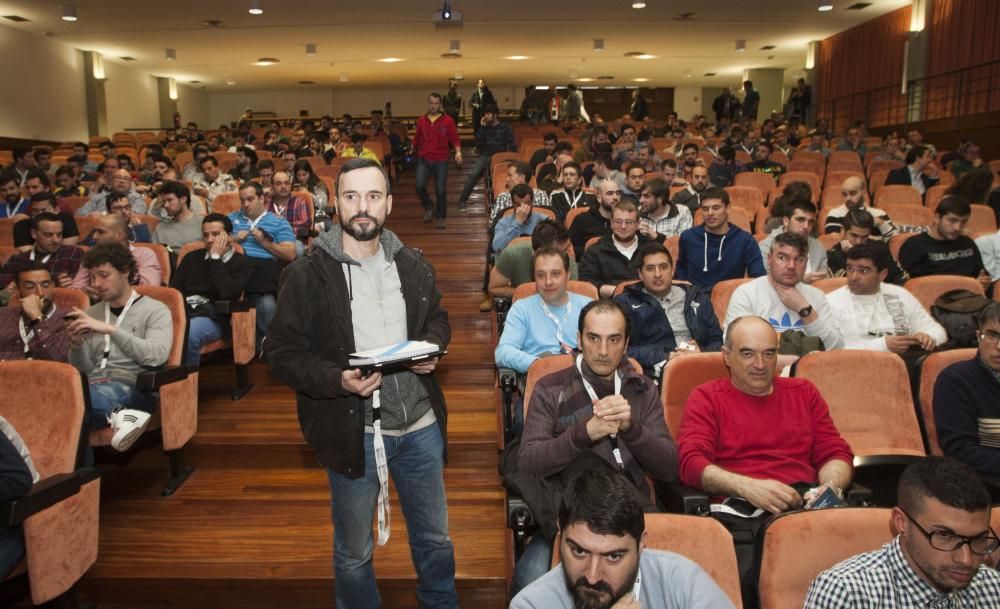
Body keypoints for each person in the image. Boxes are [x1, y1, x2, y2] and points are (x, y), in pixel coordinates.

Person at [266, 158, 457, 609]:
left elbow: (438, 321)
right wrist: (337, 380)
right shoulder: (306, 274)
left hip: (421, 427)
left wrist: (430, 348)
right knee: (353, 552)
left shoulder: (413, 265)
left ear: (389, 204)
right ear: (336, 204)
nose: (362, 207)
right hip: (355, 430)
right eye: (351, 196)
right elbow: (280, 355)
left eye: (373, 196)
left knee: (436, 539)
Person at [679, 315, 853, 603]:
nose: (760, 365)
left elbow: (835, 452)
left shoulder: (804, 392)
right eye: (747, 354)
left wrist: (830, 487)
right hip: (742, 516)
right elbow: (690, 463)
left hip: (806, 506)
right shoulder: (707, 397)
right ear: (727, 356)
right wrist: (750, 488)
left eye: (768, 353)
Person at [515, 299, 679, 594]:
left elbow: (668, 468)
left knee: (672, 579)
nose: (603, 351)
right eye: (593, 338)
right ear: (578, 340)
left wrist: (632, 429)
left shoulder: (642, 389)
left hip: (633, 513)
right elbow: (528, 462)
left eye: (613, 340)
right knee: (530, 579)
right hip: (572, 517)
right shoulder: (550, 388)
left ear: (626, 344)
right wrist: (583, 434)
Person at [510, 464, 736, 609]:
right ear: (560, 533)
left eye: (613, 556)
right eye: (579, 551)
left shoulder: (683, 582)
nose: (592, 576)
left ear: (641, 545)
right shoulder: (531, 604)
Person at [804, 457, 1000, 608]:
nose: (966, 559)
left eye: (979, 539)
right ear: (901, 522)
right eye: (945, 536)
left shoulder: (991, 587)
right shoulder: (847, 592)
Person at [66, 243, 173, 452]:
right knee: (68, 402)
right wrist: (77, 345)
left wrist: (111, 330)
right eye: (92, 277)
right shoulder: (93, 313)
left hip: (133, 388)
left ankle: (124, 414)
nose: (96, 283)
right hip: (93, 384)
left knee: (76, 399)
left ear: (124, 271)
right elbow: (84, 369)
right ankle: (83, 479)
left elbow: (156, 357)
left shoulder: (155, 310)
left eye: (104, 275)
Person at [615, 243, 723, 377]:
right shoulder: (625, 302)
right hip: (653, 372)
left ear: (672, 270)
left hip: (698, 366)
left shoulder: (697, 297)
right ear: (640, 274)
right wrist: (667, 356)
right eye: (650, 268)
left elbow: (718, 342)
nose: (657, 274)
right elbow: (619, 348)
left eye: (663, 267)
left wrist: (701, 352)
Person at [726, 232, 844, 350]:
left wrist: (805, 309)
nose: (791, 266)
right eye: (783, 258)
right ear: (769, 259)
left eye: (798, 259)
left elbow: (836, 348)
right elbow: (735, 345)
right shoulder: (746, 294)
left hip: (807, 368)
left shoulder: (817, 296)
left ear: (806, 262)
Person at [826, 241, 946, 352]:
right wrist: (883, 345)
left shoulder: (900, 294)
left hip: (907, 362)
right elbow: (829, 349)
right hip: (858, 367)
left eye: (863, 271)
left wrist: (928, 338)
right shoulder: (830, 302)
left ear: (882, 275)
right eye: (850, 269)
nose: (853, 277)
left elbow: (938, 332)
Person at [170, 214, 253, 367]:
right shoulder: (191, 258)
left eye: (215, 234)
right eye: (206, 235)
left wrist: (215, 258)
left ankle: (184, 386)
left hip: (215, 317)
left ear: (228, 236)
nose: (209, 240)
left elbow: (229, 294)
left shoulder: (242, 262)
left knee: (189, 333)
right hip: (185, 311)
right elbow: (174, 292)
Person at [495, 245, 592, 373]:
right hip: (540, 379)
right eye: (541, 275)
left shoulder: (589, 307)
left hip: (582, 376)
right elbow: (503, 352)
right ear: (534, 277)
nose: (548, 281)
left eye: (555, 274)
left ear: (568, 275)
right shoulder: (521, 308)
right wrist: (541, 364)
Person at [933, 302, 1000, 478]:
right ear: (979, 337)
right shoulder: (955, 380)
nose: (999, 346)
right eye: (992, 335)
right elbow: (960, 451)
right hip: (985, 483)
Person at [228, 181, 296, 350]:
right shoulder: (231, 219)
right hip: (232, 269)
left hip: (261, 270)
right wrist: (234, 239)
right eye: (242, 200)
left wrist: (264, 242)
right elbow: (211, 240)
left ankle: (270, 348)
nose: (245, 204)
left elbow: (290, 254)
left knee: (266, 304)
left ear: (261, 198)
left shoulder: (278, 222)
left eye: (250, 199)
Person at [675, 187, 765, 289]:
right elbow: (681, 268)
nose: (710, 213)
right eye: (705, 209)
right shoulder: (688, 237)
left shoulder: (745, 240)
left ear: (728, 208)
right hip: (695, 299)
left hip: (729, 299)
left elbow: (758, 277)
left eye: (716, 208)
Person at [899, 195, 991, 288]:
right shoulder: (914, 245)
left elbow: (982, 277)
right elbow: (905, 285)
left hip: (970, 298)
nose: (957, 228)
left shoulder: (967, 243)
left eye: (963, 222)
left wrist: (983, 283)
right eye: (952, 220)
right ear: (937, 218)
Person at [579, 200, 655, 299]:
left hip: (647, 302)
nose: (623, 227)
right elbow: (586, 284)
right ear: (611, 222)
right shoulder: (595, 251)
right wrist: (619, 291)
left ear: (637, 224)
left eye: (628, 222)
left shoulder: (651, 249)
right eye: (618, 222)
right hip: (609, 305)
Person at [489, 220, 579, 299]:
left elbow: (572, 295)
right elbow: (494, 288)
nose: (571, 252)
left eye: (570, 245)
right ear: (541, 252)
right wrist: (526, 293)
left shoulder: (567, 258)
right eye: (564, 249)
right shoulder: (512, 254)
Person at [0, 213, 89, 292]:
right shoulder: (17, 260)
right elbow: (4, 289)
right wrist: (9, 291)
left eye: (59, 234)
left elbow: (78, 290)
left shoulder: (72, 254)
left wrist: (59, 290)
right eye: (48, 235)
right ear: (34, 234)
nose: (56, 240)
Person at [0, 262, 71, 361]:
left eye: (45, 286)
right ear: (17, 289)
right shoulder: (2, 315)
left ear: (53, 287)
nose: (40, 293)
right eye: (30, 287)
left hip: (46, 375)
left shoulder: (69, 320)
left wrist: (37, 317)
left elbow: (58, 357)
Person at [413, 93, 462, 229]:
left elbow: (455, 139)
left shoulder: (448, 121)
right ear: (428, 103)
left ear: (439, 104)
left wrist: (458, 152)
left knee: (440, 190)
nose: (433, 106)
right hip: (424, 158)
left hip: (441, 160)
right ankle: (429, 207)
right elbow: (417, 138)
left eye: (436, 103)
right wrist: (413, 148)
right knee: (419, 185)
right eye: (431, 103)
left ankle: (440, 217)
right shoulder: (421, 121)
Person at [458, 104, 517, 215]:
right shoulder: (484, 128)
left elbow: (512, 144)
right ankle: (462, 201)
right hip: (486, 156)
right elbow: (478, 144)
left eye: (489, 114)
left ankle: (502, 205)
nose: (486, 116)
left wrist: (513, 158)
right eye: (485, 114)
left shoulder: (505, 127)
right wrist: (482, 127)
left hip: (500, 157)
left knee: (503, 177)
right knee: (473, 174)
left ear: (495, 115)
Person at [825, 209, 907, 285]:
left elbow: (899, 278)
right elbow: (839, 285)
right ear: (843, 230)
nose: (859, 242)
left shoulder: (880, 249)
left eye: (864, 237)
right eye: (854, 235)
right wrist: (850, 255)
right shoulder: (832, 255)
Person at [758, 200, 828, 283]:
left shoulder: (818, 246)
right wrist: (801, 280)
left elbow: (824, 279)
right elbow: (765, 281)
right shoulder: (765, 246)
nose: (806, 226)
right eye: (800, 220)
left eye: (810, 222)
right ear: (786, 221)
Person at [89, 215, 162, 287]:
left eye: (101, 232)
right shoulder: (91, 255)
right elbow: (81, 289)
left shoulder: (144, 254)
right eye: (94, 232)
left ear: (119, 236)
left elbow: (149, 290)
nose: (94, 237)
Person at [823, 176, 897, 238]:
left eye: (853, 193)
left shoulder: (879, 214)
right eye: (844, 194)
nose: (848, 198)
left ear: (863, 191)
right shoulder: (835, 214)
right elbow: (833, 242)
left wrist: (881, 224)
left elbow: (894, 240)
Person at [12, 192, 80, 252]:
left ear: (56, 210)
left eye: (44, 210)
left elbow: (67, 249)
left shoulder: (66, 219)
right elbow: (27, 253)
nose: (40, 214)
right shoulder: (22, 225)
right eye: (36, 211)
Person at [569, 179, 617, 262]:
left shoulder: (625, 221)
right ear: (599, 198)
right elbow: (569, 248)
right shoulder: (582, 219)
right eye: (610, 193)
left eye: (618, 193)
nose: (615, 197)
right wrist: (590, 249)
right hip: (587, 265)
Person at [491, 185, 550, 253]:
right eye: (518, 205)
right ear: (512, 204)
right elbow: (497, 247)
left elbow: (553, 246)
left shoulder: (543, 220)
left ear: (532, 202)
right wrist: (518, 222)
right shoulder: (503, 222)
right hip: (512, 260)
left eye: (527, 204)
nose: (523, 209)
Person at [152, 181, 204, 251]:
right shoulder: (160, 228)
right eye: (164, 201)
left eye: (170, 200)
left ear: (183, 199)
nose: (165, 205)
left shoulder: (202, 223)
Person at [75, 168, 148, 217]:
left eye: (125, 179)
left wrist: (103, 214)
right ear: (112, 181)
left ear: (130, 183)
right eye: (118, 177)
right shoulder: (100, 196)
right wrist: (90, 215)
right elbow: (79, 213)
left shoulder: (136, 198)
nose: (121, 181)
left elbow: (134, 216)